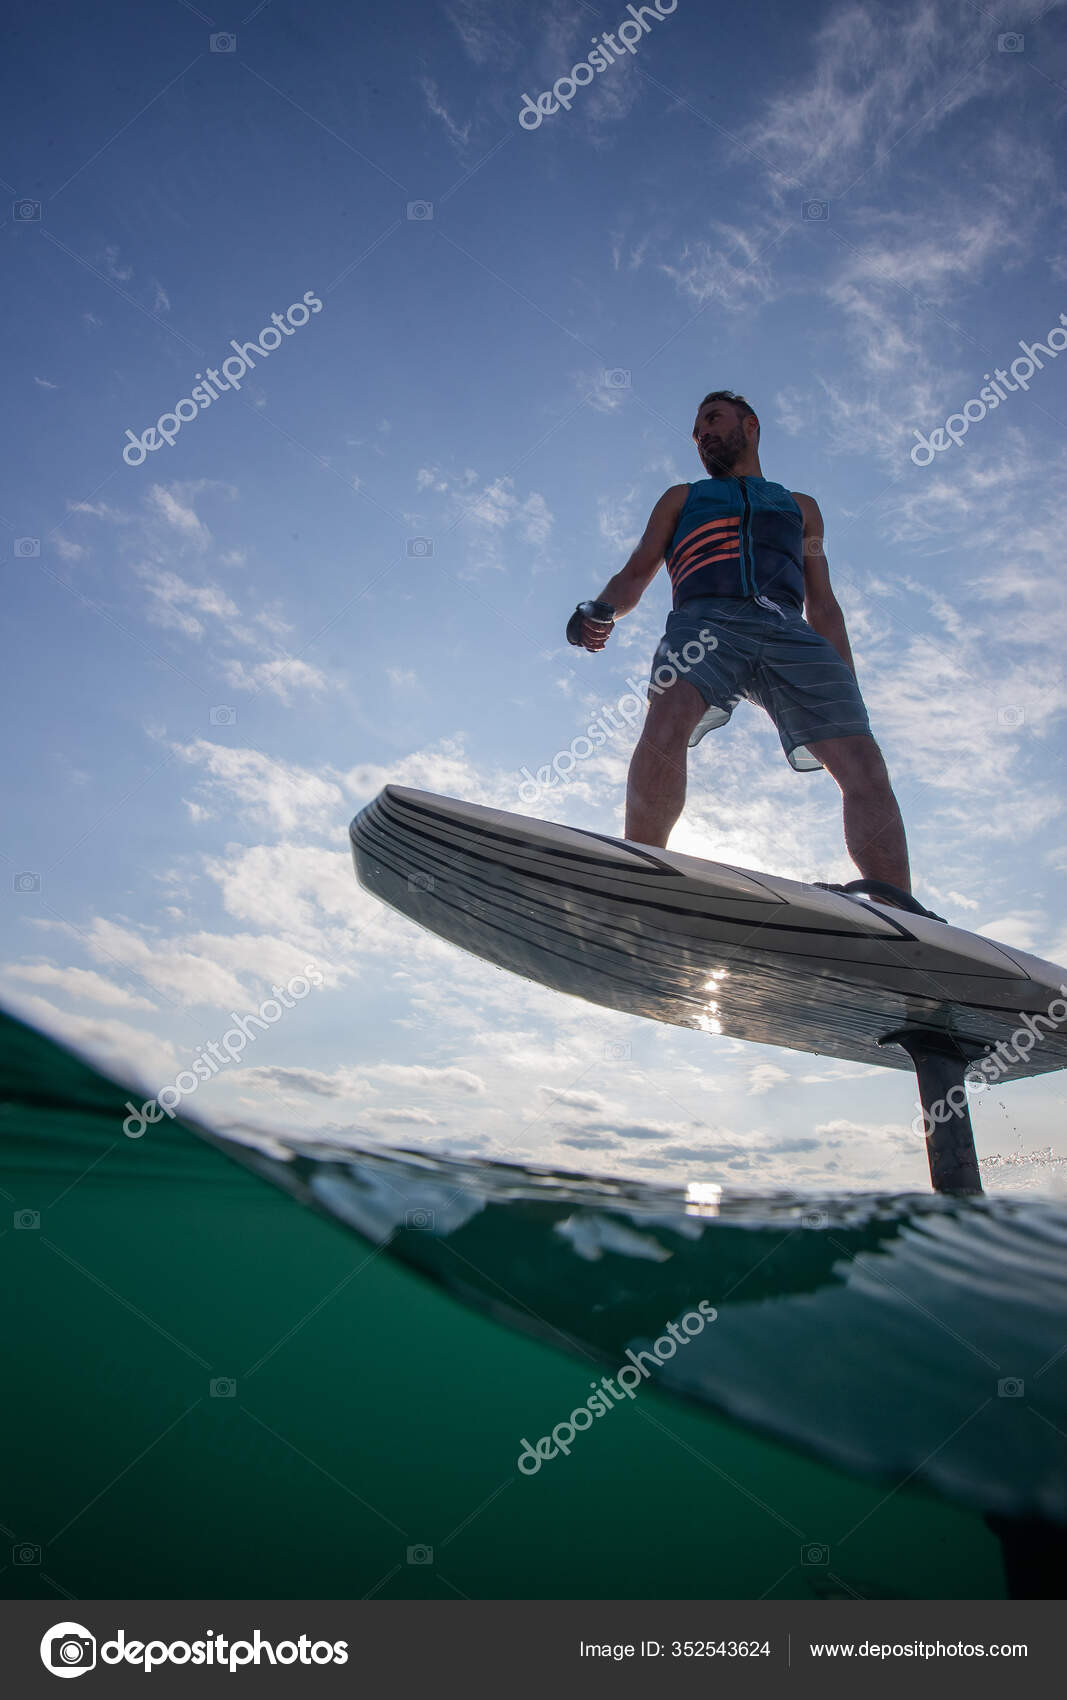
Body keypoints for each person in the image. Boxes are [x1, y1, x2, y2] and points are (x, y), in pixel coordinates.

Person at [571, 390, 911, 895]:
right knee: (668, 714)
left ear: (750, 425)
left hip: (789, 630)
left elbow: (824, 605)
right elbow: (636, 573)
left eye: (712, 419)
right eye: (696, 431)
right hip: (704, 623)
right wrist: (597, 609)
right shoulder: (681, 498)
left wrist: (846, 685)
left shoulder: (802, 510)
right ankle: (642, 871)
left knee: (862, 756)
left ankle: (897, 907)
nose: (702, 433)